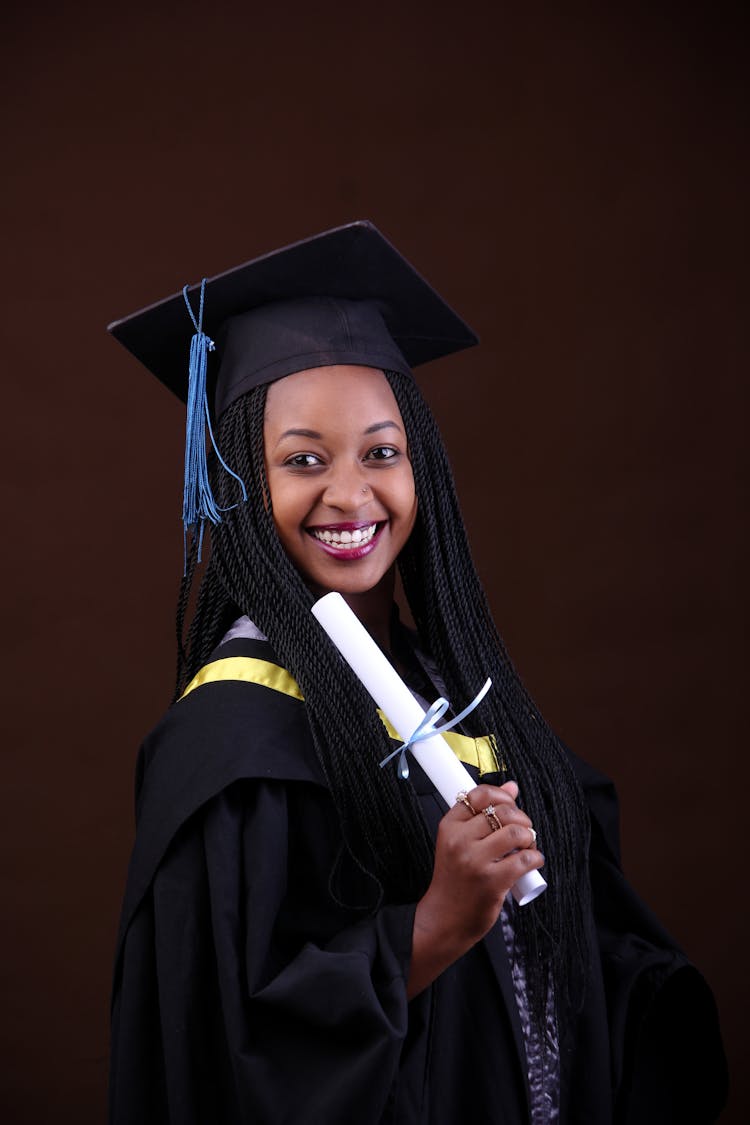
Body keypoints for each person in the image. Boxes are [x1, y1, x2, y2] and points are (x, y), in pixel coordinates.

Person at [108, 222, 727, 1124]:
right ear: (238, 479)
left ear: (421, 467)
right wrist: (434, 923)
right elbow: (225, 1052)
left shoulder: (451, 689)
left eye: (382, 451)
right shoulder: (229, 740)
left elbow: (565, 955)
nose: (351, 495)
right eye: (303, 460)